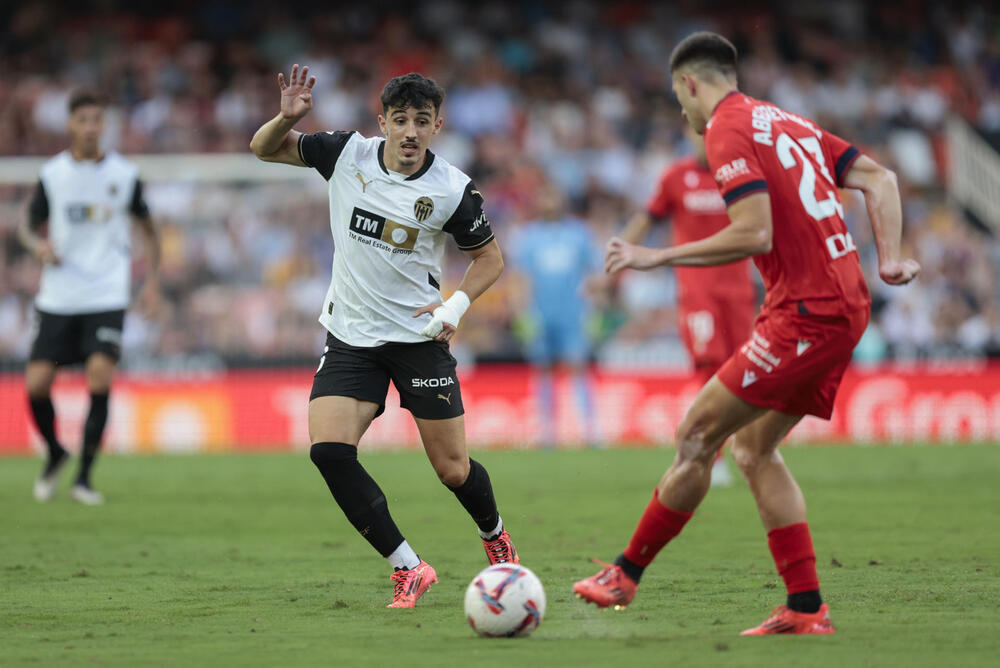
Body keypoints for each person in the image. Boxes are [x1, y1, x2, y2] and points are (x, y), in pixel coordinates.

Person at [573, 32, 920, 635]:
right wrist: (889, 258)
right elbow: (881, 179)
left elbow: (753, 233)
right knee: (754, 449)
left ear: (689, 84)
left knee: (695, 435)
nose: (683, 114)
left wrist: (657, 258)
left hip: (808, 312)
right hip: (839, 302)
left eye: (679, 100)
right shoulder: (788, 121)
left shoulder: (725, 129)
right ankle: (806, 608)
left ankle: (624, 575)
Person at [250, 67, 517, 608]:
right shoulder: (346, 154)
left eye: (422, 121)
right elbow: (263, 149)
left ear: (437, 125)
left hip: (419, 339)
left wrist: (455, 306)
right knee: (328, 451)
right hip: (350, 336)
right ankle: (409, 567)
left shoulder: (452, 189)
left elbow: (489, 258)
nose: (411, 132)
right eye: (401, 121)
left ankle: (496, 539)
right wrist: (287, 117)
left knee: (452, 470)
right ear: (384, 123)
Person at [19, 88, 161, 505]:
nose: (90, 127)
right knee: (36, 385)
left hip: (106, 292)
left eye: (97, 120)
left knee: (99, 376)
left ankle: (83, 476)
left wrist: (151, 282)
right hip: (59, 295)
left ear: (104, 125)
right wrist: (37, 245)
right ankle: (56, 452)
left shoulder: (124, 174)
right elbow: (28, 225)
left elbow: (149, 230)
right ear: (70, 125)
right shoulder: (53, 174)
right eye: (82, 120)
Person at [619, 126, 757, 487]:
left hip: (738, 291)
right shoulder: (676, 177)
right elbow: (647, 217)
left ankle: (749, 446)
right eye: (697, 134)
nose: (703, 142)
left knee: (741, 370)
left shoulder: (741, 177)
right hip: (697, 290)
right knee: (709, 367)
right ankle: (712, 453)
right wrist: (621, 254)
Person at [511, 185, 600, 447]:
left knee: (578, 366)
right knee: (544, 369)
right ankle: (546, 432)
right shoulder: (529, 236)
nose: (549, 201)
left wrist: (592, 308)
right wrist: (523, 313)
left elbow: (592, 273)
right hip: (540, 314)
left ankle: (589, 430)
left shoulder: (579, 233)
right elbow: (521, 278)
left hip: (572, 313)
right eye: (545, 196)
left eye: (553, 195)